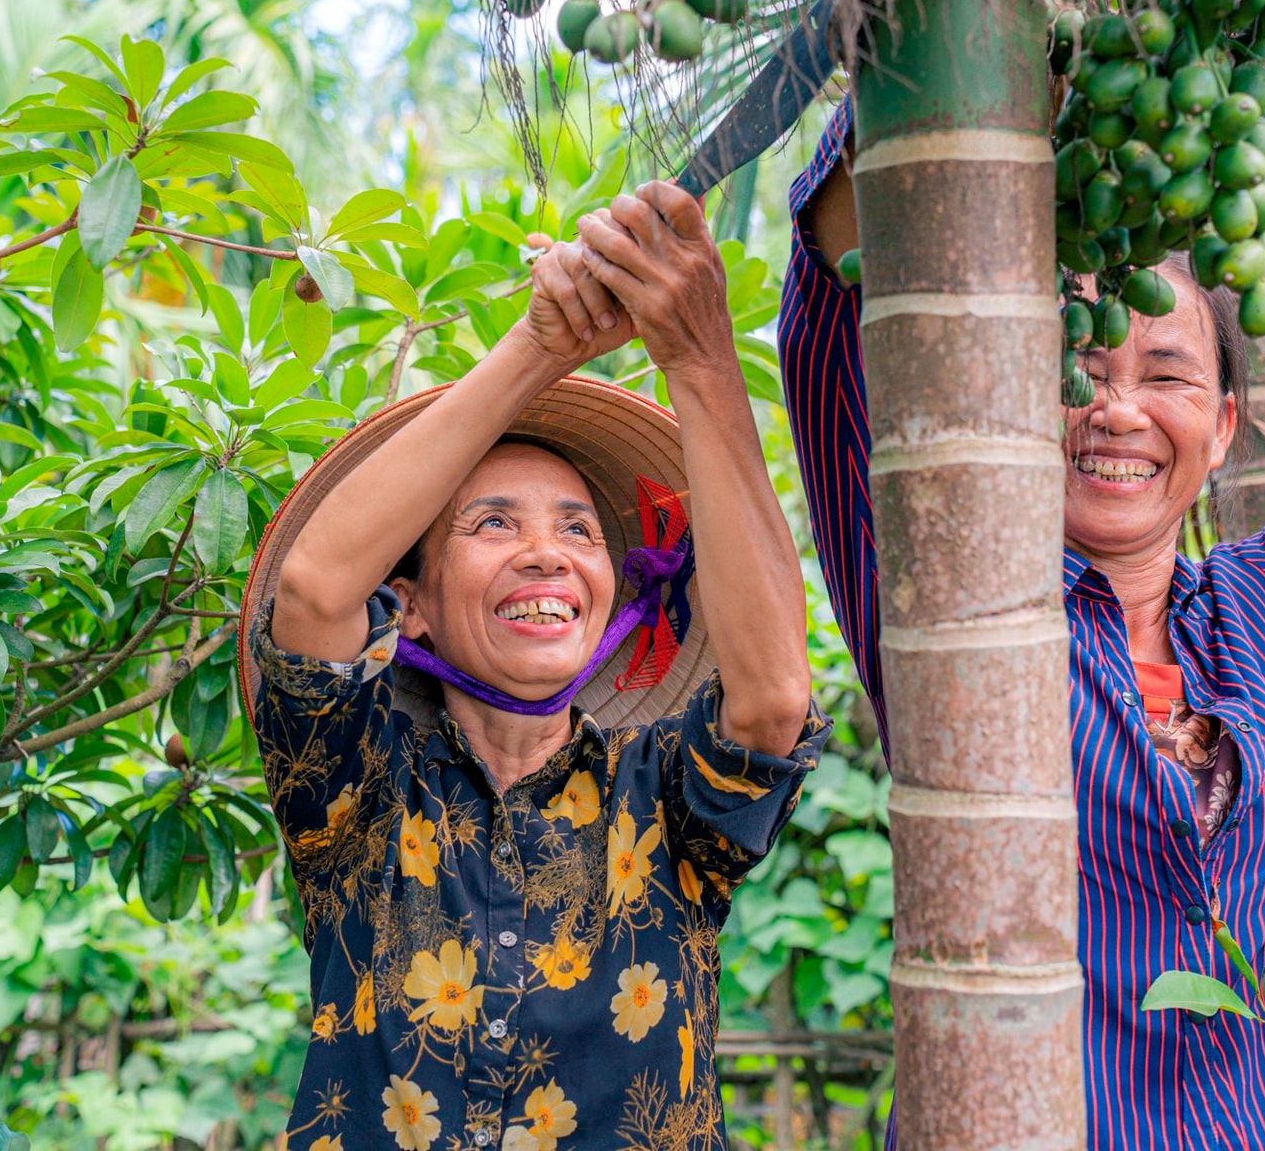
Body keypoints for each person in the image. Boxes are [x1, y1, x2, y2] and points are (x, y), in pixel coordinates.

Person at [754, 0, 1265, 1146]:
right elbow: (831, 333)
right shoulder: (942, 589)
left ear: (1222, 428)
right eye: (1084, 363)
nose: (1119, 406)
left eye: (1166, 374)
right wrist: (939, 26)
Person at [242, 195, 828, 1150]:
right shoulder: (358, 788)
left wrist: (699, 356)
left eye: (579, 531)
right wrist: (542, 345)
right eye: (494, 524)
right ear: (413, 603)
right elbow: (310, 591)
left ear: (609, 594)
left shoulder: (660, 799)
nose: (548, 554)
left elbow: (771, 703)